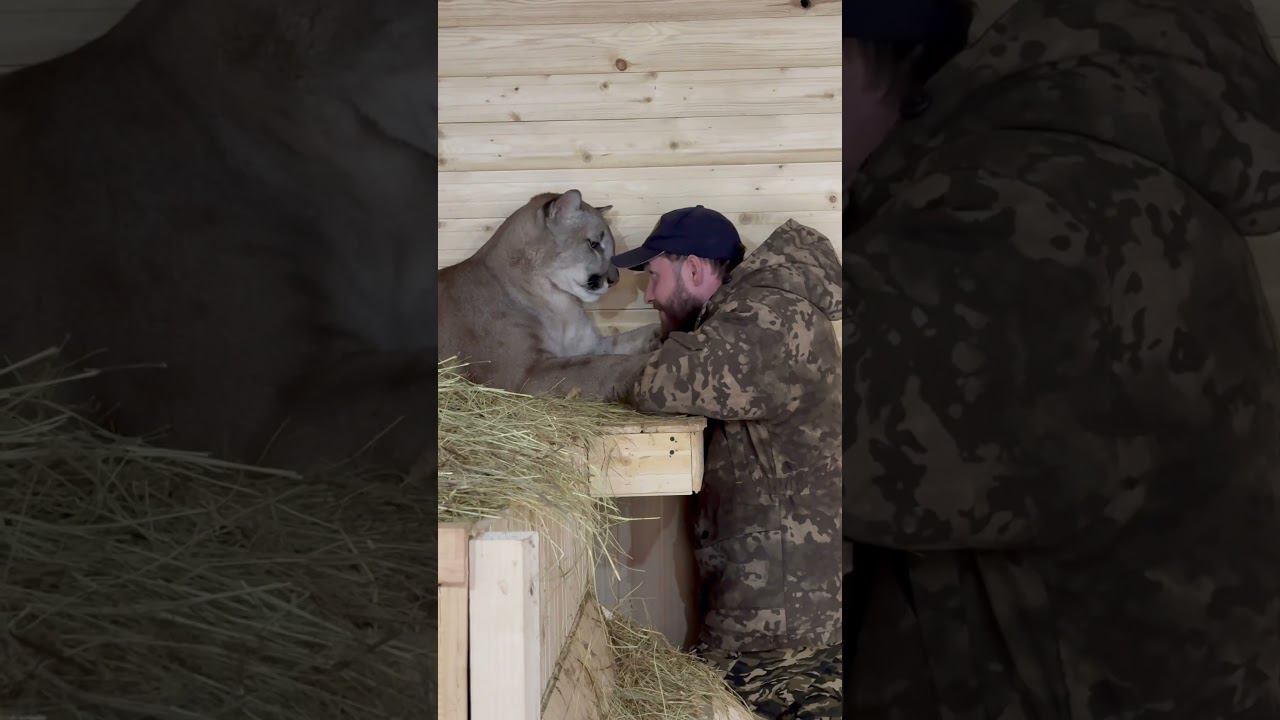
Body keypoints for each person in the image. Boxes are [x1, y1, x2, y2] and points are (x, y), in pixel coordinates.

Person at [843, 0, 1280, 717]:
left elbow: (831, 421)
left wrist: (716, 307)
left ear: (876, 60)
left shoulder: (1029, 212)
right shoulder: (1085, 179)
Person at [611, 205, 843, 719]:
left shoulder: (770, 319)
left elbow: (659, 383)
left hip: (782, 628)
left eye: (653, 276)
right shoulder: (754, 318)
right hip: (776, 612)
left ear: (694, 268)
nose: (648, 295)